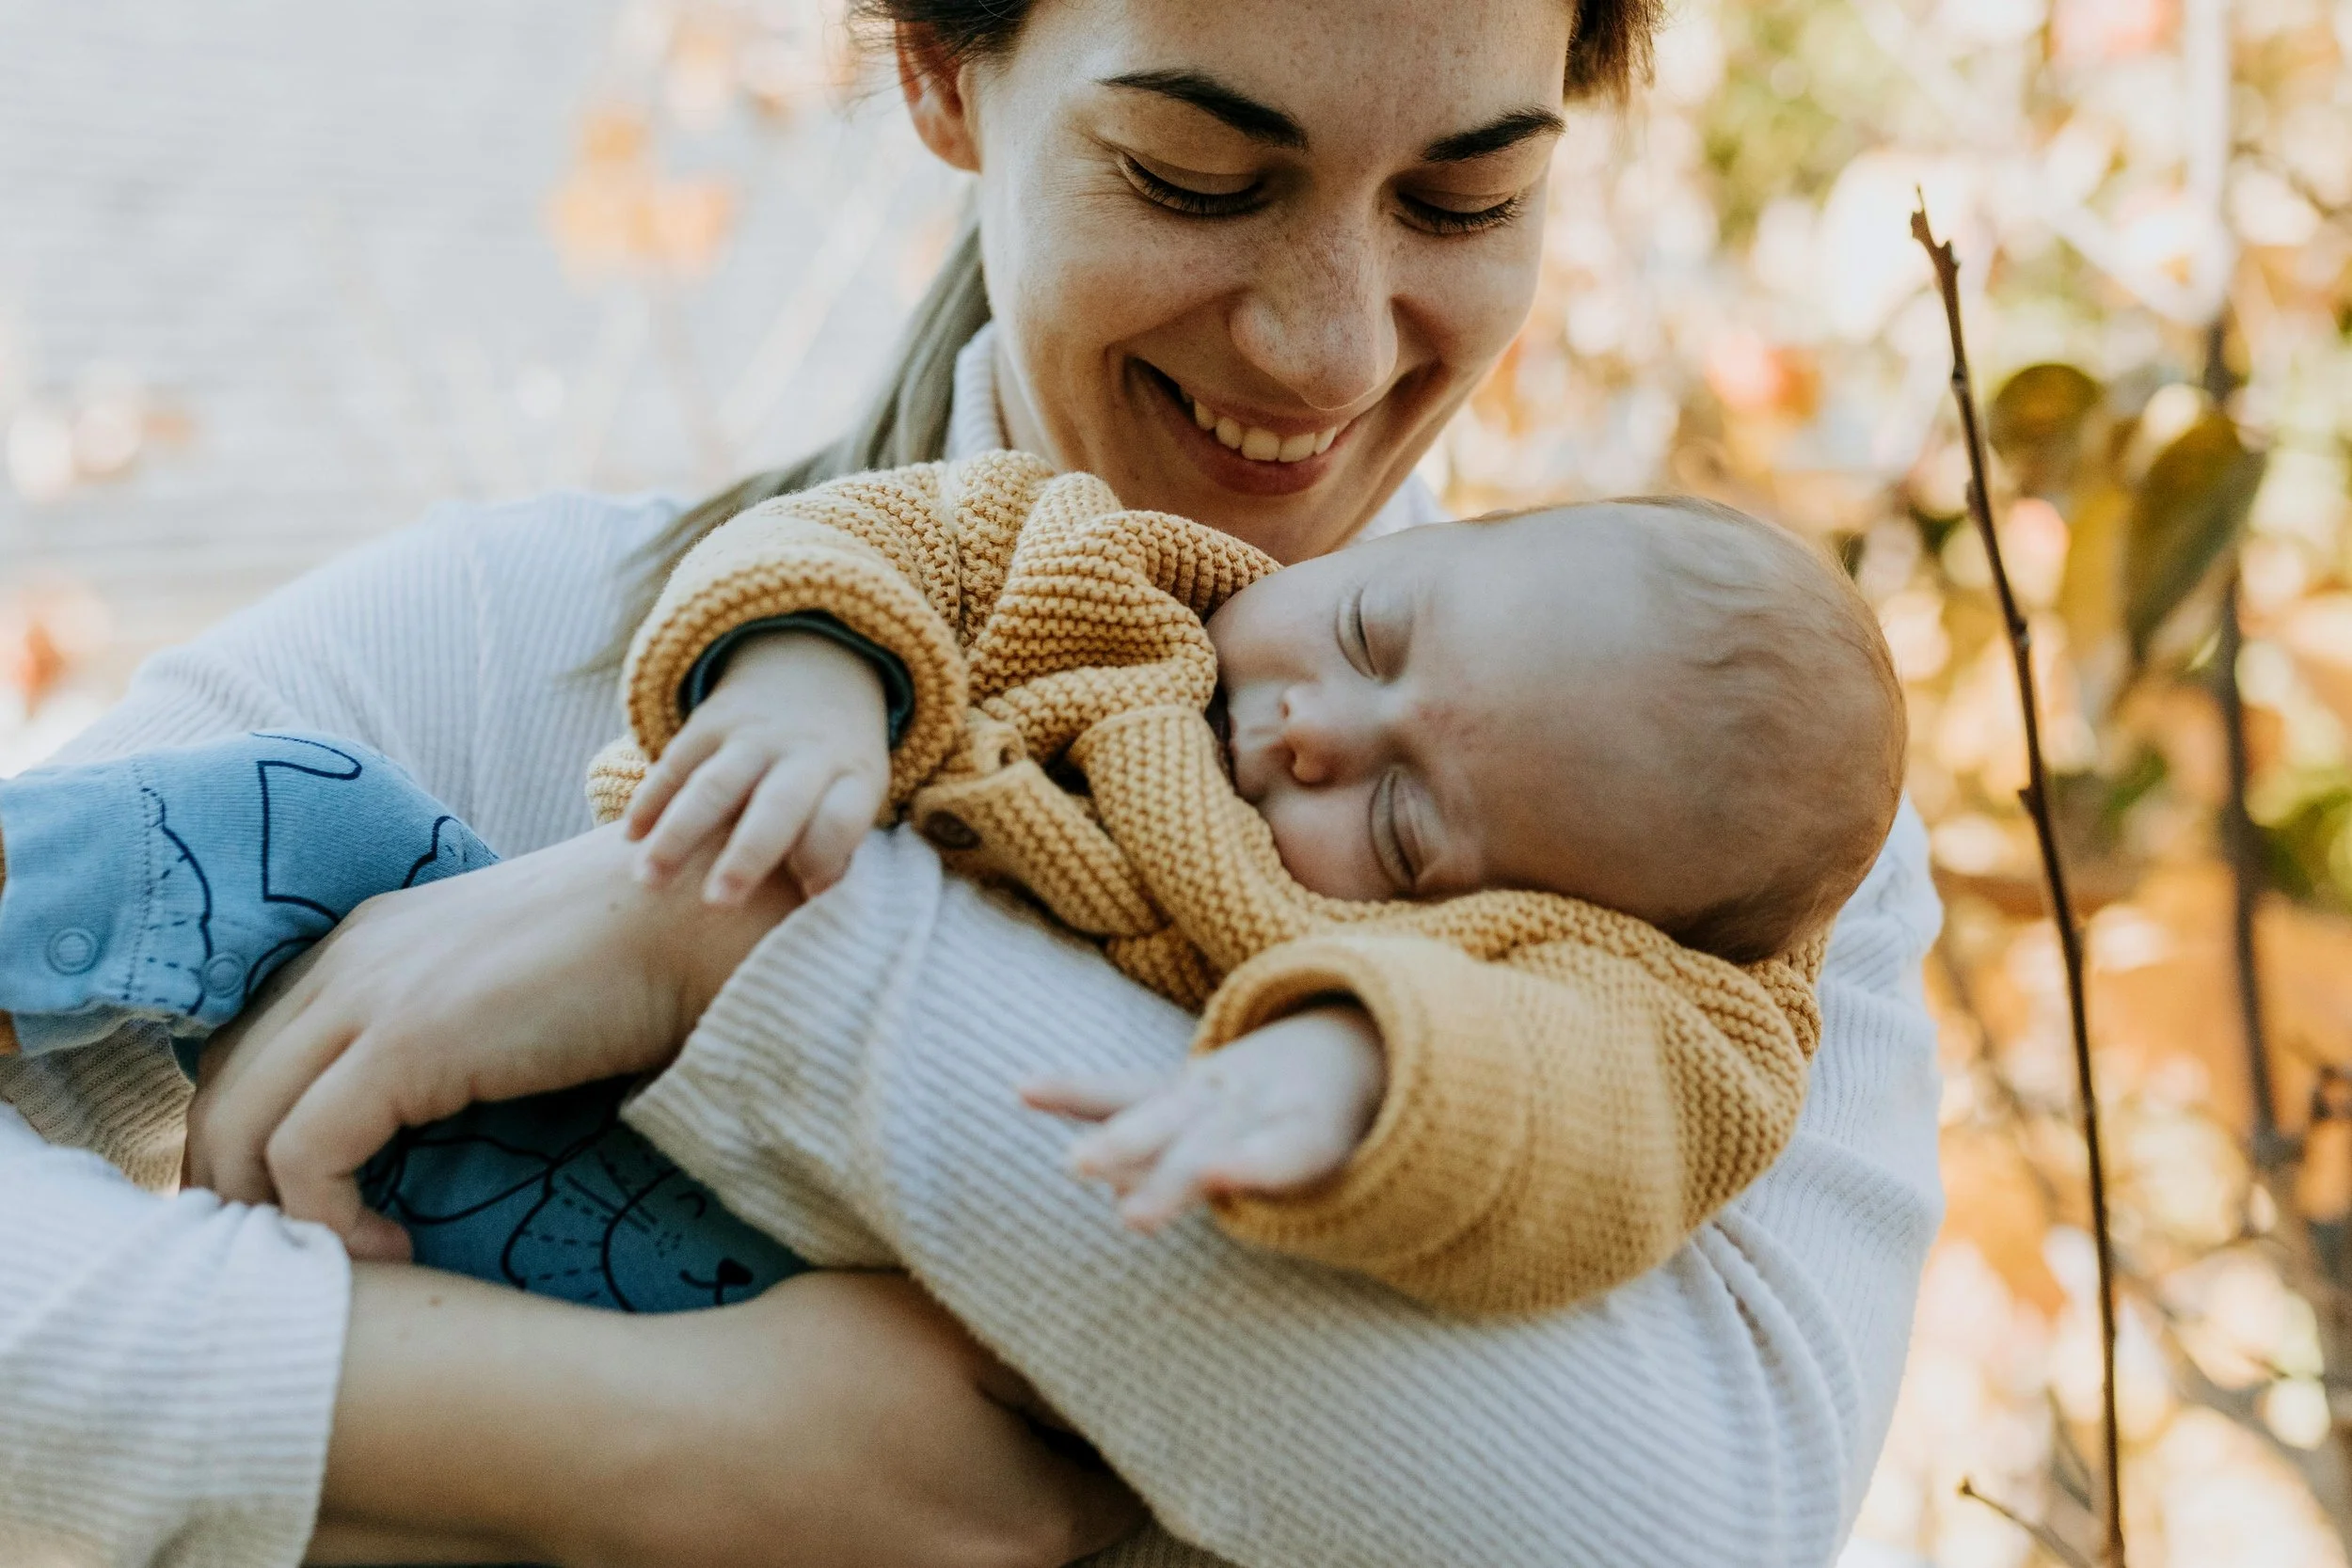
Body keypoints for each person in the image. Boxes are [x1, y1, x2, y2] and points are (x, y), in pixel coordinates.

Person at [0, 1, 1944, 1563]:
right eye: (1192, 174)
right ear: (942, 72)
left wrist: (740, 957)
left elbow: (1690, 1520)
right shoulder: (512, 643)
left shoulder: (1705, 840)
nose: (1328, 341)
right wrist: (647, 1453)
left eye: (1461, 204)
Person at [0, 453, 1901, 1320]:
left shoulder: (1615, 985)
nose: (1322, 729)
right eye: (1382, 629)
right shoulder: (1132, 576)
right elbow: (886, 532)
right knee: (283, 811)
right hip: (518, 1042)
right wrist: (816, 683)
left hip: (713, 1276)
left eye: (1402, 824)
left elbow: (1579, 1104)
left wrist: (1344, 1070)